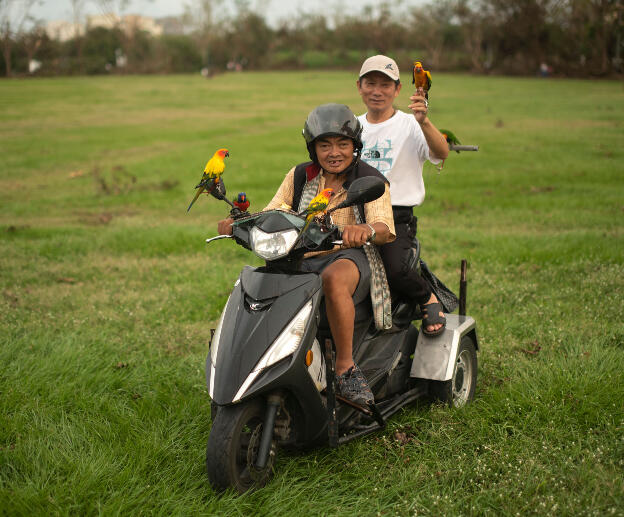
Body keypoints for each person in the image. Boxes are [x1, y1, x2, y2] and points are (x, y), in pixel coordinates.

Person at [217, 104, 395, 405]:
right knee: (260, 281)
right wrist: (241, 223)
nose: (334, 152)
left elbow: (384, 225)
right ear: (313, 149)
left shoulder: (369, 178)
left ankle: (345, 368)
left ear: (355, 146)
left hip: (350, 257)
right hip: (300, 255)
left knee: (333, 279)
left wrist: (364, 229)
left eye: (342, 144)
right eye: (324, 145)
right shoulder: (301, 175)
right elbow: (275, 210)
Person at [356, 54, 450, 337]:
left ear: (397, 89)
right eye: (370, 83)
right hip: (357, 212)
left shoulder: (411, 124)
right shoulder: (352, 126)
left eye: (385, 85)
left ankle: (426, 296)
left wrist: (424, 121)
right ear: (359, 87)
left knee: (394, 269)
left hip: (396, 215)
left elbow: (441, 153)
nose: (377, 91)